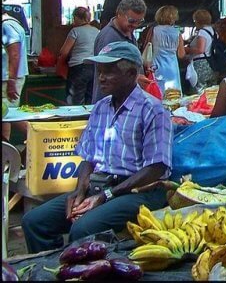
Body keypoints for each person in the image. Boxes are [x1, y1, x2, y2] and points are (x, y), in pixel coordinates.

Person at [21, 42, 172, 253]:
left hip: (139, 190)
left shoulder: (153, 110)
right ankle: (51, 265)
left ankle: (83, 266)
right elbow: (88, 157)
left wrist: (106, 195)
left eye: (109, 72)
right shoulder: (101, 107)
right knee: (34, 221)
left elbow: (156, 168)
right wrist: (79, 191)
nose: (101, 77)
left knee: (83, 229)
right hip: (102, 185)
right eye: (99, 71)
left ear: (131, 74)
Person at [91, 0, 151, 103]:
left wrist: (141, 66)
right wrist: (135, 78)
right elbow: (107, 71)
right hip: (110, 101)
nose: (135, 25)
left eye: (139, 22)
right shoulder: (108, 37)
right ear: (119, 14)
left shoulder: (128, 32)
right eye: (131, 21)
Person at [58, 7, 100, 105]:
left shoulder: (75, 31)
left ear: (77, 18)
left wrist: (59, 66)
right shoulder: (97, 31)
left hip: (78, 68)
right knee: (90, 99)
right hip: (94, 67)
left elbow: (64, 52)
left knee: (75, 100)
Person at [143, 5, 186, 97]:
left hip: (156, 66)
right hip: (172, 67)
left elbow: (147, 46)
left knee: (157, 93)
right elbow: (181, 54)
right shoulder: (177, 33)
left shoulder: (153, 30)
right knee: (173, 94)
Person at [2, 12, 29, 141]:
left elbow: (14, 54)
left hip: (8, 79)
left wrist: (11, 80)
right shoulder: (12, 24)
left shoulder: (6, 26)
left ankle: (40, 136)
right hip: (9, 78)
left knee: (7, 114)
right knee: (6, 114)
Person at [184, 9, 218, 91]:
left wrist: (186, 49)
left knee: (199, 90)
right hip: (210, 62)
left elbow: (200, 50)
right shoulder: (212, 30)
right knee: (211, 91)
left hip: (200, 64)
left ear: (198, 21)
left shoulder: (202, 32)